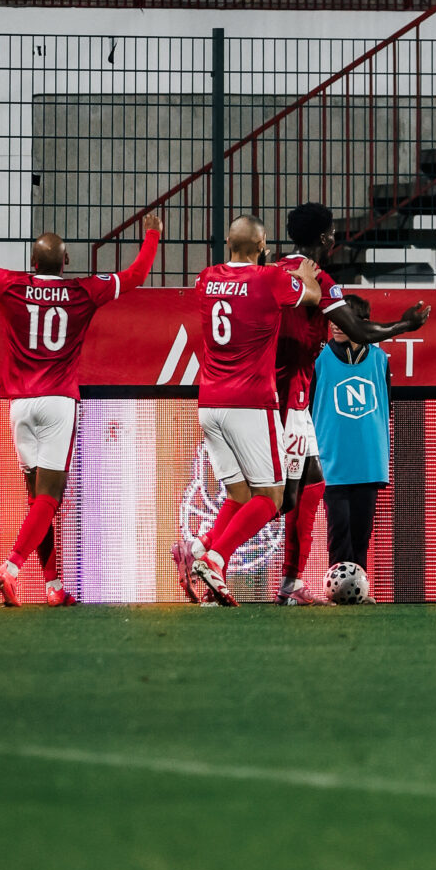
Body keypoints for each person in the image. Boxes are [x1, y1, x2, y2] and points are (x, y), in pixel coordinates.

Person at [0, 192, 160, 607]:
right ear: (66, 262)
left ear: (32, 263)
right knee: (49, 499)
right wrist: (151, 235)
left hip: (20, 404)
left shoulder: (11, 285)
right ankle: (10, 568)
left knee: (38, 501)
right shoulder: (84, 291)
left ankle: (53, 586)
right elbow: (135, 275)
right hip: (59, 402)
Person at [262, 202, 427, 606]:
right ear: (324, 238)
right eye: (333, 231)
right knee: (275, 498)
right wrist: (404, 325)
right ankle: (210, 550)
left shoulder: (271, 274)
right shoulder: (319, 281)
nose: (335, 237)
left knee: (303, 491)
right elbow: (358, 329)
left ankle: (290, 581)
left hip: (268, 395)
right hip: (290, 403)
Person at [188, 215, 323, 607]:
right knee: (272, 497)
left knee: (239, 493)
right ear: (262, 245)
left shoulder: (205, 279)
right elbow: (312, 296)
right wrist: (305, 275)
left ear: (228, 243)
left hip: (209, 403)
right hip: (249, 402)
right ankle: (216, 557)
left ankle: (207, 553)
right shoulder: (269, 279)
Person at [312, 319, 392, 593]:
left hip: (369, 461)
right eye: (333, 321)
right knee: (339, 532)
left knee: (362, 534)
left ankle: (360, 590)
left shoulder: (379, 359)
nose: (336, 326)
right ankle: (337, 592)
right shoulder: (320, 358)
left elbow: (386, 406)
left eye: (343, 321)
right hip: (332, 460)